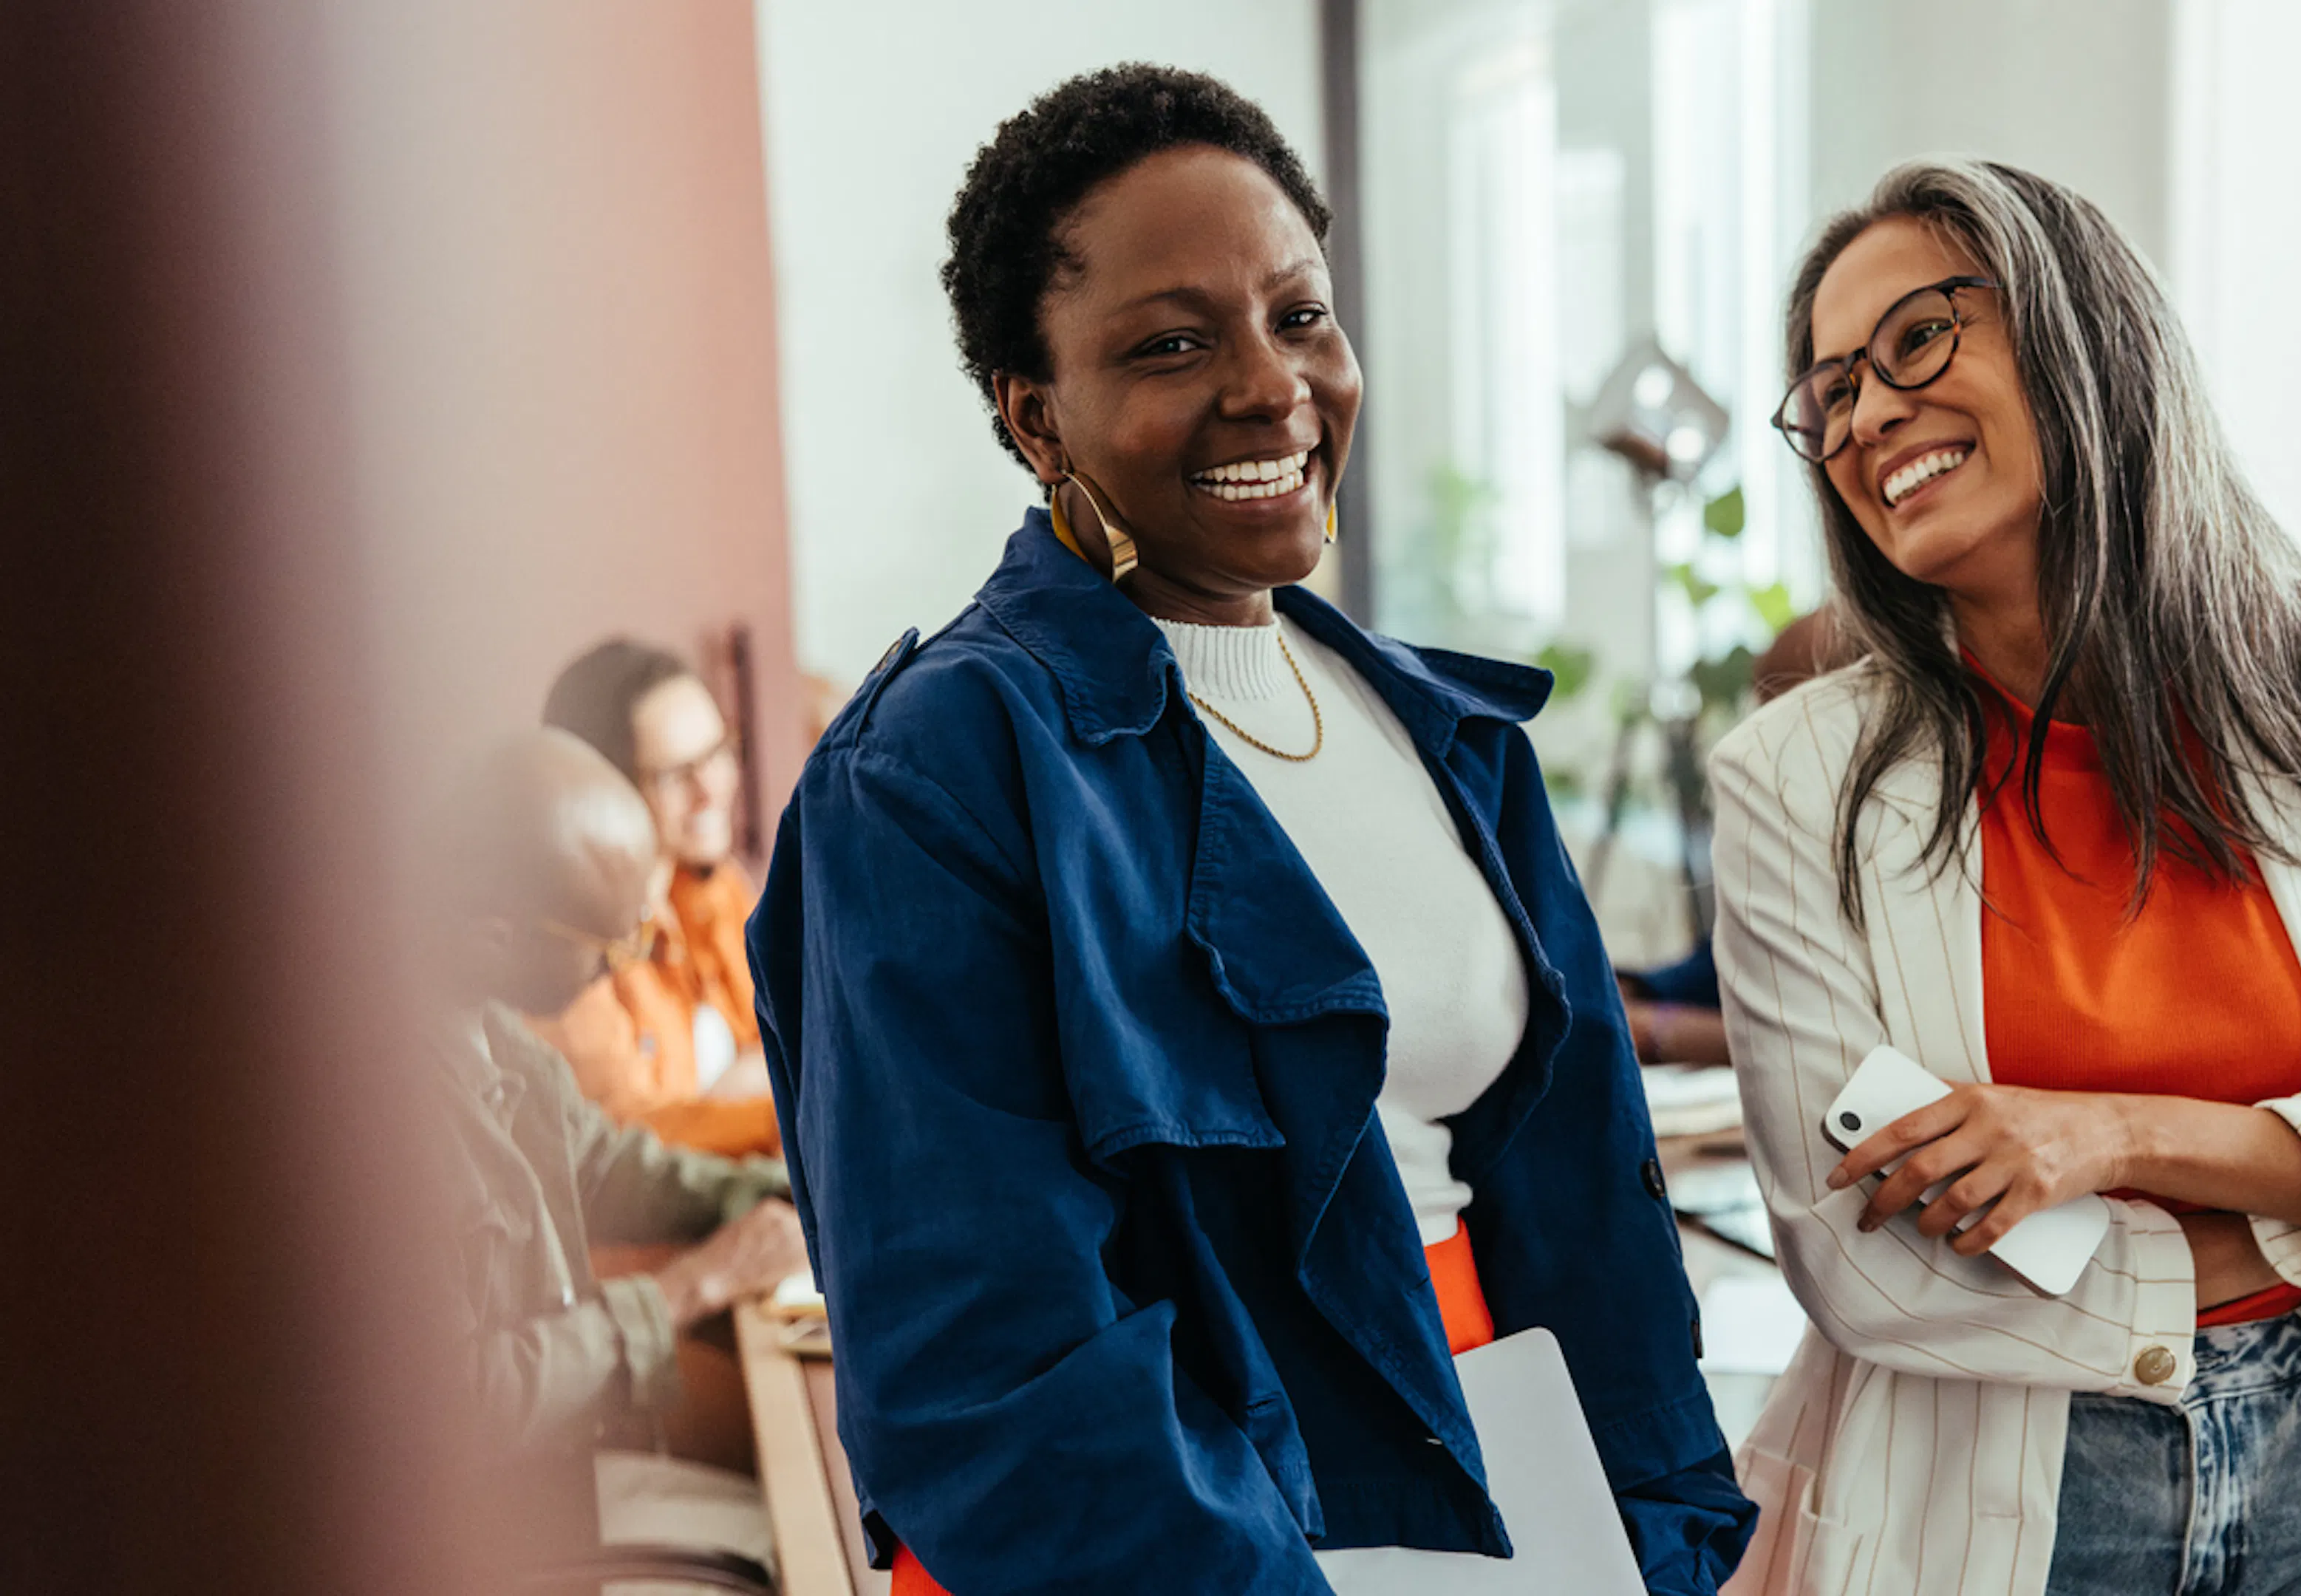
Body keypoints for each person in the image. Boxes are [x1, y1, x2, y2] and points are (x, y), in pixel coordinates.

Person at [744, 66, 1751, 1596]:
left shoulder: (1447, 731)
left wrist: (1663, 1542)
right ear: (1036, 416)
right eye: (1170, 343)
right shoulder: (935, 772)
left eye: (1300, 316)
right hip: (1168, 1538)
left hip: (1504, 1491)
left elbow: (1588, 1212)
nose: (1273, 384)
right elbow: (987, 1371)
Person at [1708, 158, 2301, 1596]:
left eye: (1917, 341)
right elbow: (1866, 1268)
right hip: (2011, 1500)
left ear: (2078, 329)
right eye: (1831, 394)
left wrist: (2108, 1137)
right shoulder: (1792, 782)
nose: (1867, 414)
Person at [428, 729, 809, 1567]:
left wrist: (793, 1195)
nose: (630, 963)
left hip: (565, 1479)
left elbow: (602, 1165)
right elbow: (465, 1403)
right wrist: (688, 1288)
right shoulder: (395, 1118)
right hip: (482, 1539)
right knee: (804, 1554)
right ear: (497, 936)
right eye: (615, 946)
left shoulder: (497, 1033)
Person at [534, 639, 777, 1158]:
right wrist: (785, 1112)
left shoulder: (716, 886)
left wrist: (723, 1105)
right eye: (675, 774)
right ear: (604, 791)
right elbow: (627, 1139)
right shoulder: (568, 950)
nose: (711, 788)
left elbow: (786, 1040)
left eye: (717, 753)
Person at [1623, 608, 1849, 1068]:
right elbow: (1713, 971)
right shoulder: (1793, 851)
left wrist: (1659, 1030)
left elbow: (1821, 1047)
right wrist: (1623, 995)